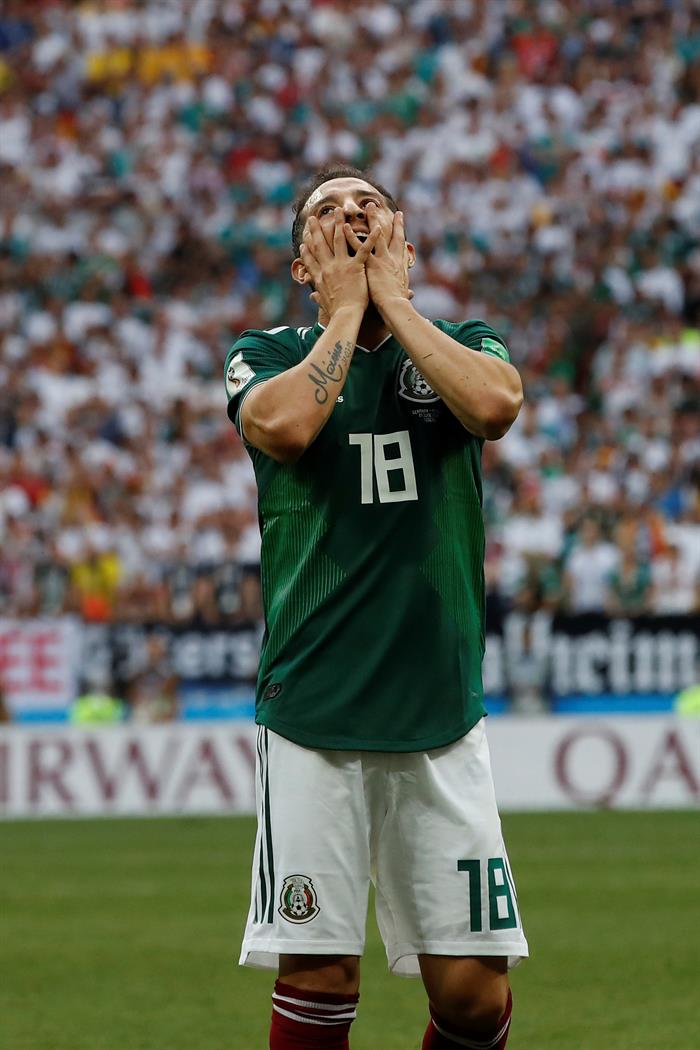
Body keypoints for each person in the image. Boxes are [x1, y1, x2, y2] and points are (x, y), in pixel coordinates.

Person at [224, 165, 528, 1050]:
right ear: (300, 263)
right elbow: (283, 429)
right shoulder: (267, 351)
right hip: (316, 706)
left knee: (473, 998)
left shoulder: (465, 341)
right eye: (327, 208)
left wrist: (395, 308)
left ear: (402, 239)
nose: (349, 213)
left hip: (439, 704)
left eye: (368, 205)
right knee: (321, 973)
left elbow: (495, 406)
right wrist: (347, 313)